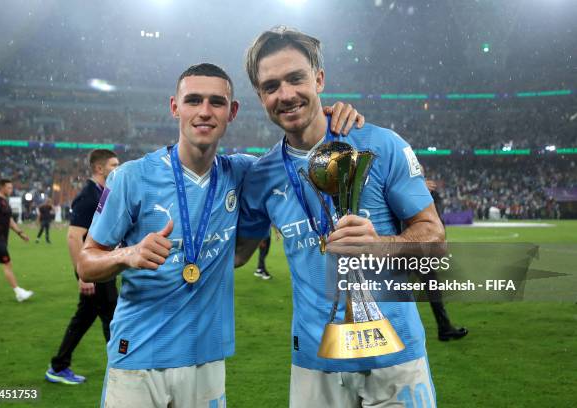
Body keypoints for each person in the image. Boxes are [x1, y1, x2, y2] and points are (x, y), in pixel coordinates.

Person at [77, 63, 363, 407]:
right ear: (174, 107)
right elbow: (86, 261)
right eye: (193, 100)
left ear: (232, 112)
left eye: (217, 102)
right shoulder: (131, 177)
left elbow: (298, 152)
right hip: (138, 357)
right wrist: (127, 254)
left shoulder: (245, 172)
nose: (204, 112)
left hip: (207, 361)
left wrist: (330, 117)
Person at [236, 27, 445, 407]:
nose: (285, 94)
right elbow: (236, 254)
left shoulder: (381, 144)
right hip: (316, 364)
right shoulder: (261, 176)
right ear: (259, 96)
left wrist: (380, 246)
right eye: (271, 86)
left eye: (296, 78)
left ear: (319, 79)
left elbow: (434, 238)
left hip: (395, 358)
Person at [45, 149, 120, 385]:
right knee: (111, 317)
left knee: (92, 317)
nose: (118, 169)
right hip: (93, 271)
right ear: (99, 168)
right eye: (114, 165)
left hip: (101, 266)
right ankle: (119, 365)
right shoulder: (88, 196)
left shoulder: (102, 193)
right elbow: (73, 237)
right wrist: (83, 275)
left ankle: (59, 365)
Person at [421, 174, 468, 341]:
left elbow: (436, 219)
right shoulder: (408, 189)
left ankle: (444, 327)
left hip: (419, 248)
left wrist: (441, 239)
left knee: (432, 286)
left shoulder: (428, 193)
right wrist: (418, 189)